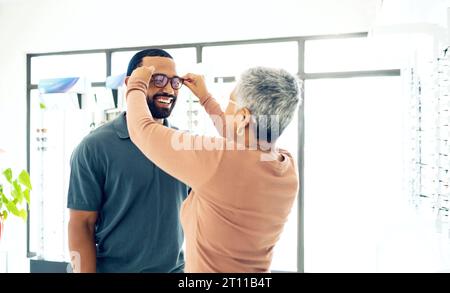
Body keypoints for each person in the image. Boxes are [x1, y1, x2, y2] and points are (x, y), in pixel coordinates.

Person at [126, 65, 301, 272]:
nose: (227, 109)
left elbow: (142, 130)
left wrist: (136, 83)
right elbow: (242, 137)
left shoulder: (219, 161)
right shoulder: (286, 167)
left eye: (231, 102)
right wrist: (205, 98)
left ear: (243, 117)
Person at [67, 49, 189, 273]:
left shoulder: (185, 144)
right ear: (130, 83)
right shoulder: (94, 147)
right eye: (157, 79)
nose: (168, 88)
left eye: (174, 81)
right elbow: (81, 225)